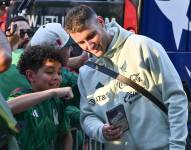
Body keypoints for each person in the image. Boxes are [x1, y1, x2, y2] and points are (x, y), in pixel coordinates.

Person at [64, 5, 188, 150]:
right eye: (81, 42)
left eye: (91, 36)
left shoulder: (143, 46)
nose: (89, 45)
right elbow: (87, 117)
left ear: (101, 22)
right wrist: (100, 130)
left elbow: (176, 98)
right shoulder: (86, 73)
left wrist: (177, 147)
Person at [8, 44, 74, 150]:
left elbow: (66, 133)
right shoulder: (21, 96)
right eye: (50, 72)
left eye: (59, 72)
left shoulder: (56, 102)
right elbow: (7, 107)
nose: (57, 77)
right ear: (30, 75)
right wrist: (52, 92)